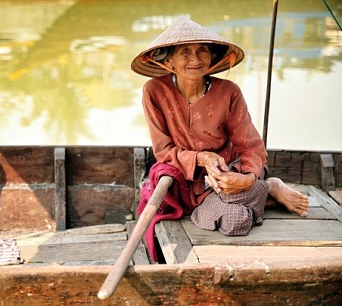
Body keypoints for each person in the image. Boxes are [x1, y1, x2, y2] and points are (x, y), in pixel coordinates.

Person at [131, 15, 309, 263]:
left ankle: (259, 186)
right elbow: (163, 150)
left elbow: (252, 146)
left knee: (236, 198)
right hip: (186, 181)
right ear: (168, 60)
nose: (195, 59)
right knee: (236, 221)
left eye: (202, 50)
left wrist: (245, 178)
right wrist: (201, 159)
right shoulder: (153, 91)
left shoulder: (229, 91)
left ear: (212, 57)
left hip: (229, 173)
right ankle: (268, 189)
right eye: (184, 52)